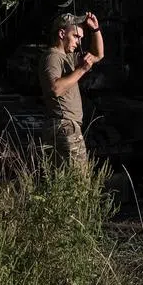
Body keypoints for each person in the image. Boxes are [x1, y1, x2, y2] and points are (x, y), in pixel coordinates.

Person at [39, 11, 104, 169]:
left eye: (81, 38)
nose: (78, 41)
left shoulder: (68, 58)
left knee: (64, 184)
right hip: (64, 125)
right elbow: (55, 88)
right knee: (79, 184)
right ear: (62, 33)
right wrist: (81, 70)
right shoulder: (53, 56)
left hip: (66, 126)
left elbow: (98, 55)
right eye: (75, 36)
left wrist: (95, 30)